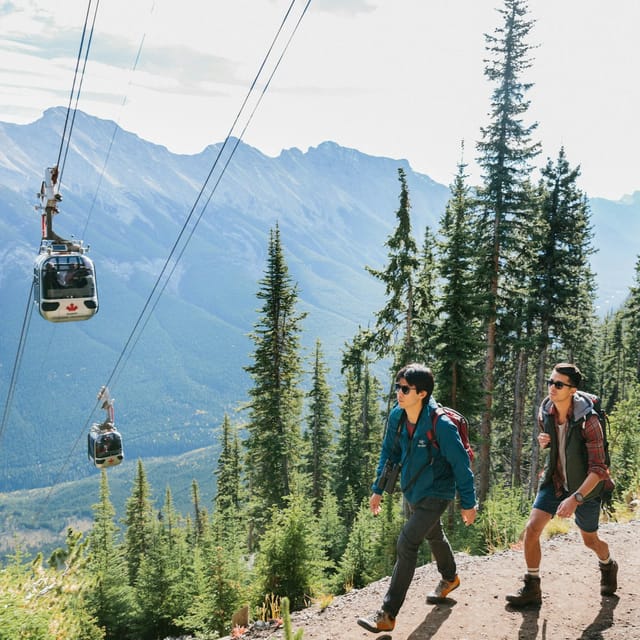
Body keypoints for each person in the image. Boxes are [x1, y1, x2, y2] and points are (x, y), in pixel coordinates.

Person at [357, 363, 477, 634]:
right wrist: (378, 489)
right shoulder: (398, 417)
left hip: (438, 492)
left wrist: (469, 503)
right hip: (413, 490)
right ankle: (450, 578)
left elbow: (461, 465)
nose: (399, 392)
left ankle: (387, 614)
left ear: (422, 393)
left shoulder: (441, 425)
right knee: (434, 535)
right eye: (398, 387)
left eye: (405, 389)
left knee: (407, 542)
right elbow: (389, 454)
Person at [506, 362, 617, 608]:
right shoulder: (545, 410)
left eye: (558, 384)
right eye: (550, 382)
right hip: (555, 481)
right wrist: (544, 440)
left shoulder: (589, 421)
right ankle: (532, 586)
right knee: (533, 528)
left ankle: (608, 564)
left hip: (586, 488)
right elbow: (551, 442)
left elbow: (600, 469)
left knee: (590, 541)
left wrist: (575, 498)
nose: (552, 388)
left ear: (573, 390)